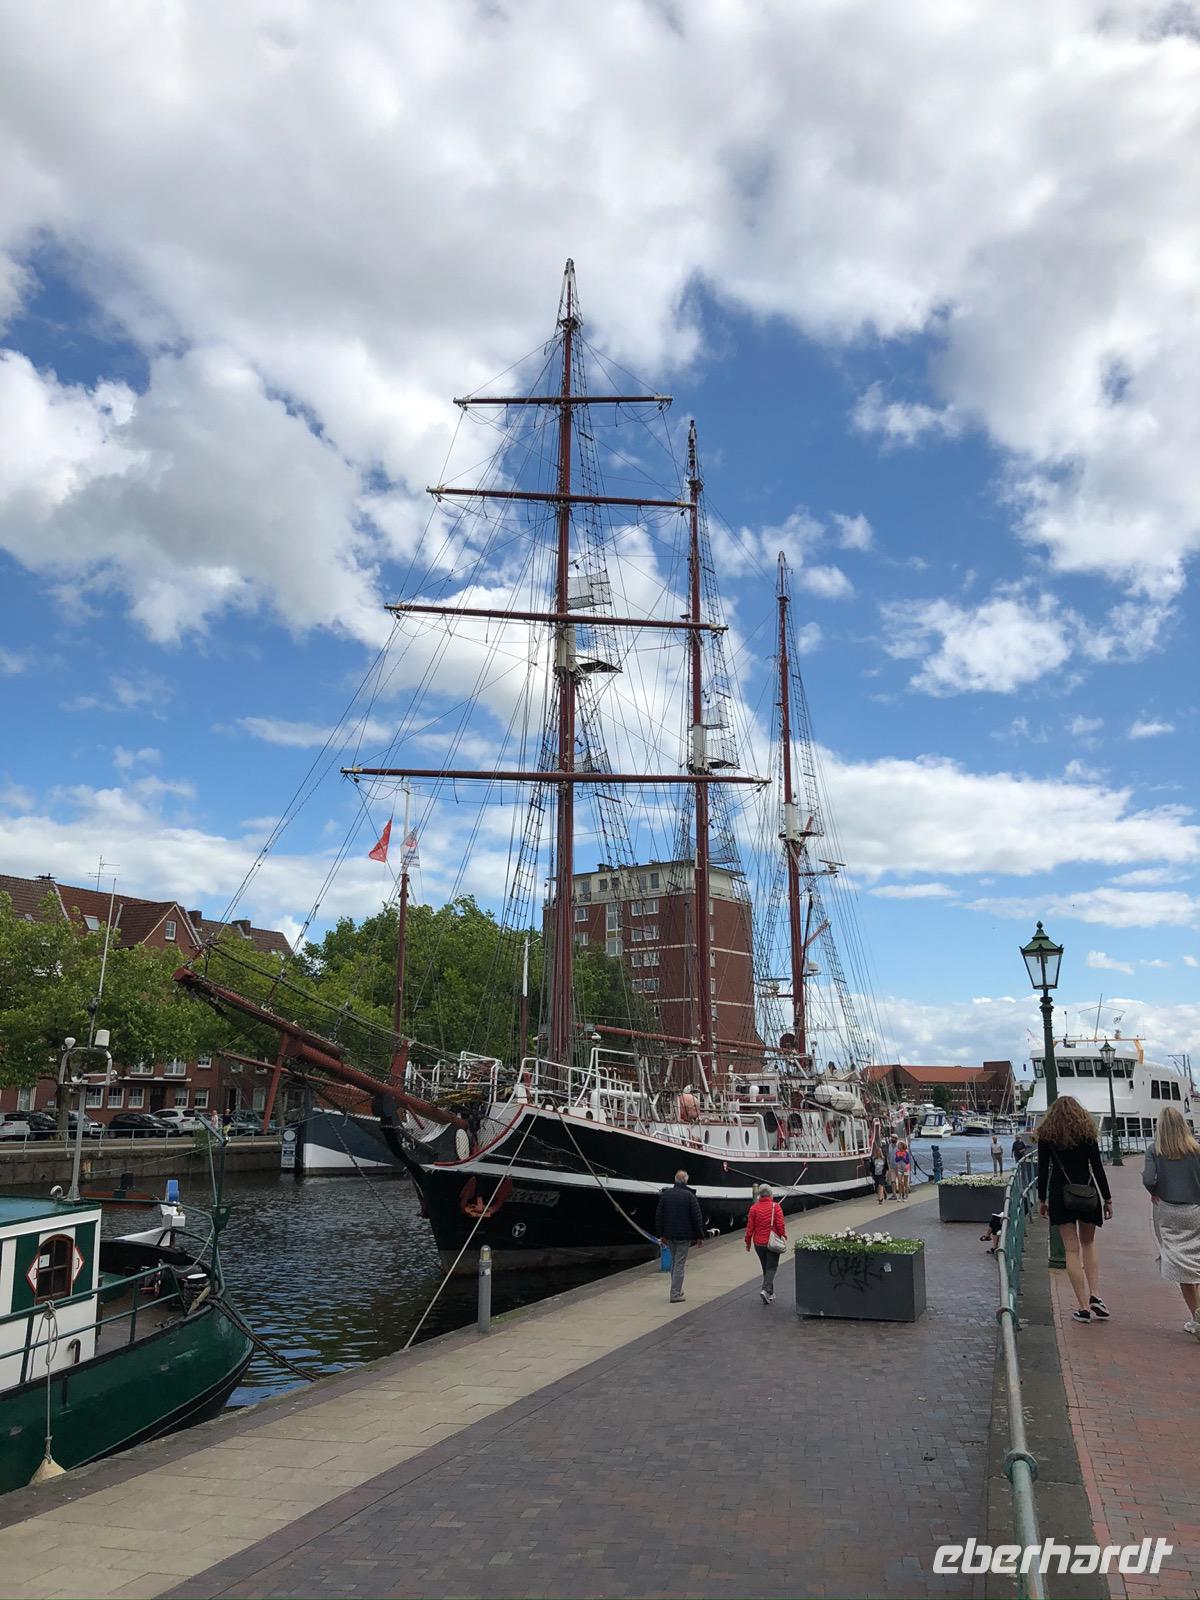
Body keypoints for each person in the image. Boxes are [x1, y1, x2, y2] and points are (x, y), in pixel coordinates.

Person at [1036, 1095, 1113, 1323]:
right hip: (1088, 1191)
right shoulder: (1087, 1134)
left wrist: (1042, 1199)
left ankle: (1083, 1308)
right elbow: (1097, 1167)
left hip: (1060, 1193)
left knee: (1071, 1250)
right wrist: (1107, 1198)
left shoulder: (1047, 1136)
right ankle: (1095, 1295)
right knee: (1088, 1243)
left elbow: (1042, 1170)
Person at [1142, 1105, 1200, 1339]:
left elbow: (1148, 1179)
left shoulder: (1155, 1150)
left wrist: (1155, 1191)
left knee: (1181, 1265)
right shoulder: (1196, 1150)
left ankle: (1197, 1318)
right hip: (1195, 1210)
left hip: (1168, 1211)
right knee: (1196, 1263)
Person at [655, 1170, 704, 1304]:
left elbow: (659, 1216)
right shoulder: (689, 1196)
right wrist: (700, 1236)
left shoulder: (666, 1195)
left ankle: (676, 1289)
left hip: (669, 1234)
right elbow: (697, 1217)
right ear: (686, 1181)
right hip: (684, 1235)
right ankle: (675, 1293)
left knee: (674, 1261)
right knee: (679, 1263)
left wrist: (661, 1234)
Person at [744, 1183, 787, 1303]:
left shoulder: (754, 1208)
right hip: (771, 1242)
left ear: (759, 1195)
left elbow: (750, 1228)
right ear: (770, 1194)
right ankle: (765, 1290)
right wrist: (783, 1236)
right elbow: (780, 1224)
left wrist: (748, 1242)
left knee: (765, 1268)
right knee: (772, 1267)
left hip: (758, 1243)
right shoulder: (775, 1207)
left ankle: (770, 1293)